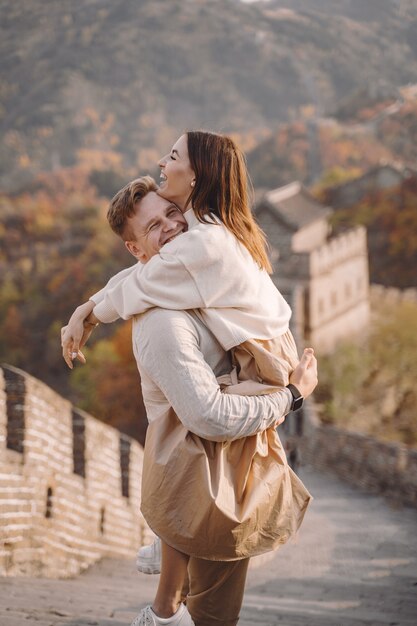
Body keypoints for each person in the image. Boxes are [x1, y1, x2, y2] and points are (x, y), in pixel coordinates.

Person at [61, 131, 318, 625]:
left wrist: (87, 312)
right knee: (200, 430)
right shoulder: (203, 227)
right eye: (153, 226)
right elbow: (140, 278)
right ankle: (171, 560)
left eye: (173, 156)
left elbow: (143, 279)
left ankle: (170, 558)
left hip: (265, 361)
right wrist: (88, 309)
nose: (162, 160)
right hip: (257, 355)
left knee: (205, 432)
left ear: (196, 175)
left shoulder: (204, 244)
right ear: (137, 246)